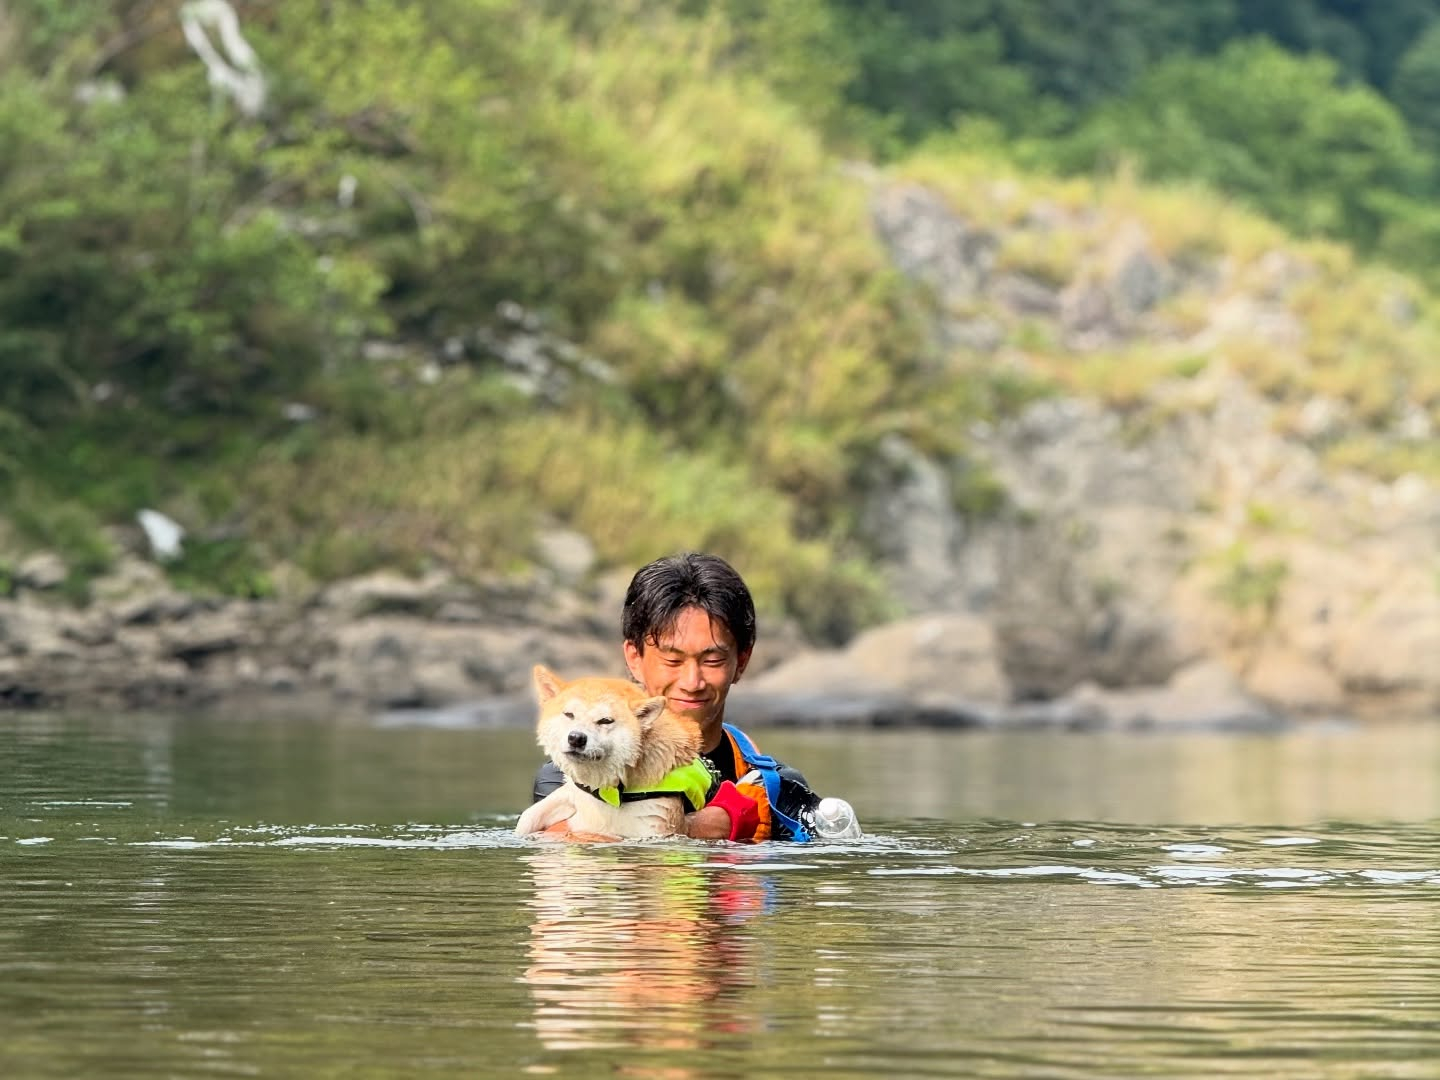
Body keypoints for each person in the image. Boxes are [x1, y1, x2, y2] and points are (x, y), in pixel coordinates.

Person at [532, 552, 821, 841]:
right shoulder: (567, 776)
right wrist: (694, 830)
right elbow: (572, 852)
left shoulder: (778, 790)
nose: (692, 682)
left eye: (712, 660)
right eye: (672, 660)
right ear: (634, 658)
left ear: (741, 661)